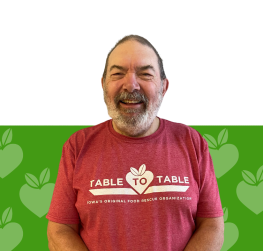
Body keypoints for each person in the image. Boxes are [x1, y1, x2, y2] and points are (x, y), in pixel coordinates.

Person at [46, 34, 224, 251]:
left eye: (145, 74)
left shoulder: (192, 142)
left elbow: (212, 226)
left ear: (164, 87)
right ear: (103, 86)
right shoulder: (77, 146)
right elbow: (59, 230)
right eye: (118, 73)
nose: (131, 85)